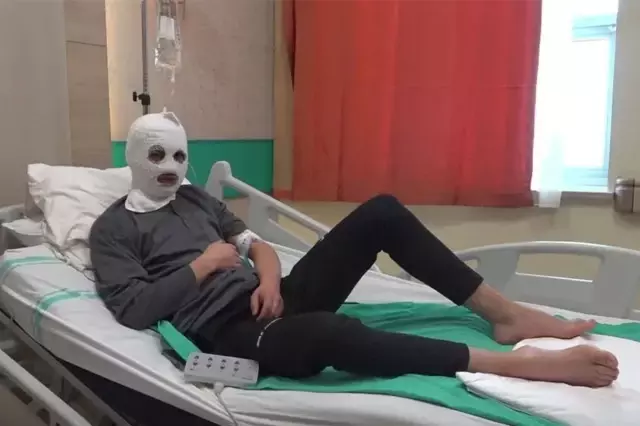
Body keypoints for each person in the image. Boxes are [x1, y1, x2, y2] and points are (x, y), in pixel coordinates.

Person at [90, 112, 619, 388]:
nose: (171, 167)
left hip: (272, 298)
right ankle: (514, 364)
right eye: (157, 155)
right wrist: (202, 265)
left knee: (382, 211)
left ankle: (502, 313)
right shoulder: (113, 229)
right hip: (226, 332)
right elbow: (134, 309)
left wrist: (269, 278)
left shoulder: (195, 198)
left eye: (179, 156)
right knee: (332, 332)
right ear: (135, 156)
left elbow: (256, 245)